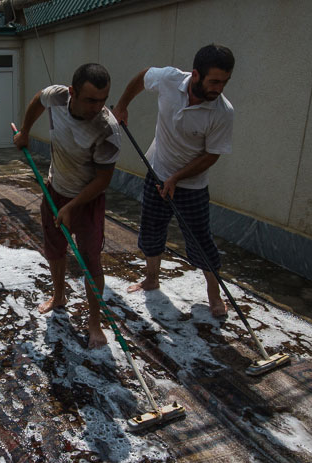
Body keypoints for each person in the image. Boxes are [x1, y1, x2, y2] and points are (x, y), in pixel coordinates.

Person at [111, 44, 235, 318]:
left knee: (200, 240)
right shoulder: (169, 79)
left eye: (224, 82)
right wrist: (121, 106)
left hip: (191, 185)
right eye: (214, 81)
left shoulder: (222, 112)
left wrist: (177, 178)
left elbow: (211, 155)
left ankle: (214, 294)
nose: (219, 88)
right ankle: (151, 278)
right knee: (151, 230)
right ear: (195, 74)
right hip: (157, 171)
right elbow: (143, 77)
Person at [13, 63, 123, 349]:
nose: (97, 107)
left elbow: (103, 180)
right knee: (55, 248)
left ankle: (95, 323)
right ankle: (59, 295)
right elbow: (38, 100)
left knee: (90, 260)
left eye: (103, 100)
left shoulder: (107, 130)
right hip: (55, 190)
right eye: (90, 100)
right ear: (72, 92)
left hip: (87, 200)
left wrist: (73, 206)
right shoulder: (57, 96)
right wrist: (25, 132)